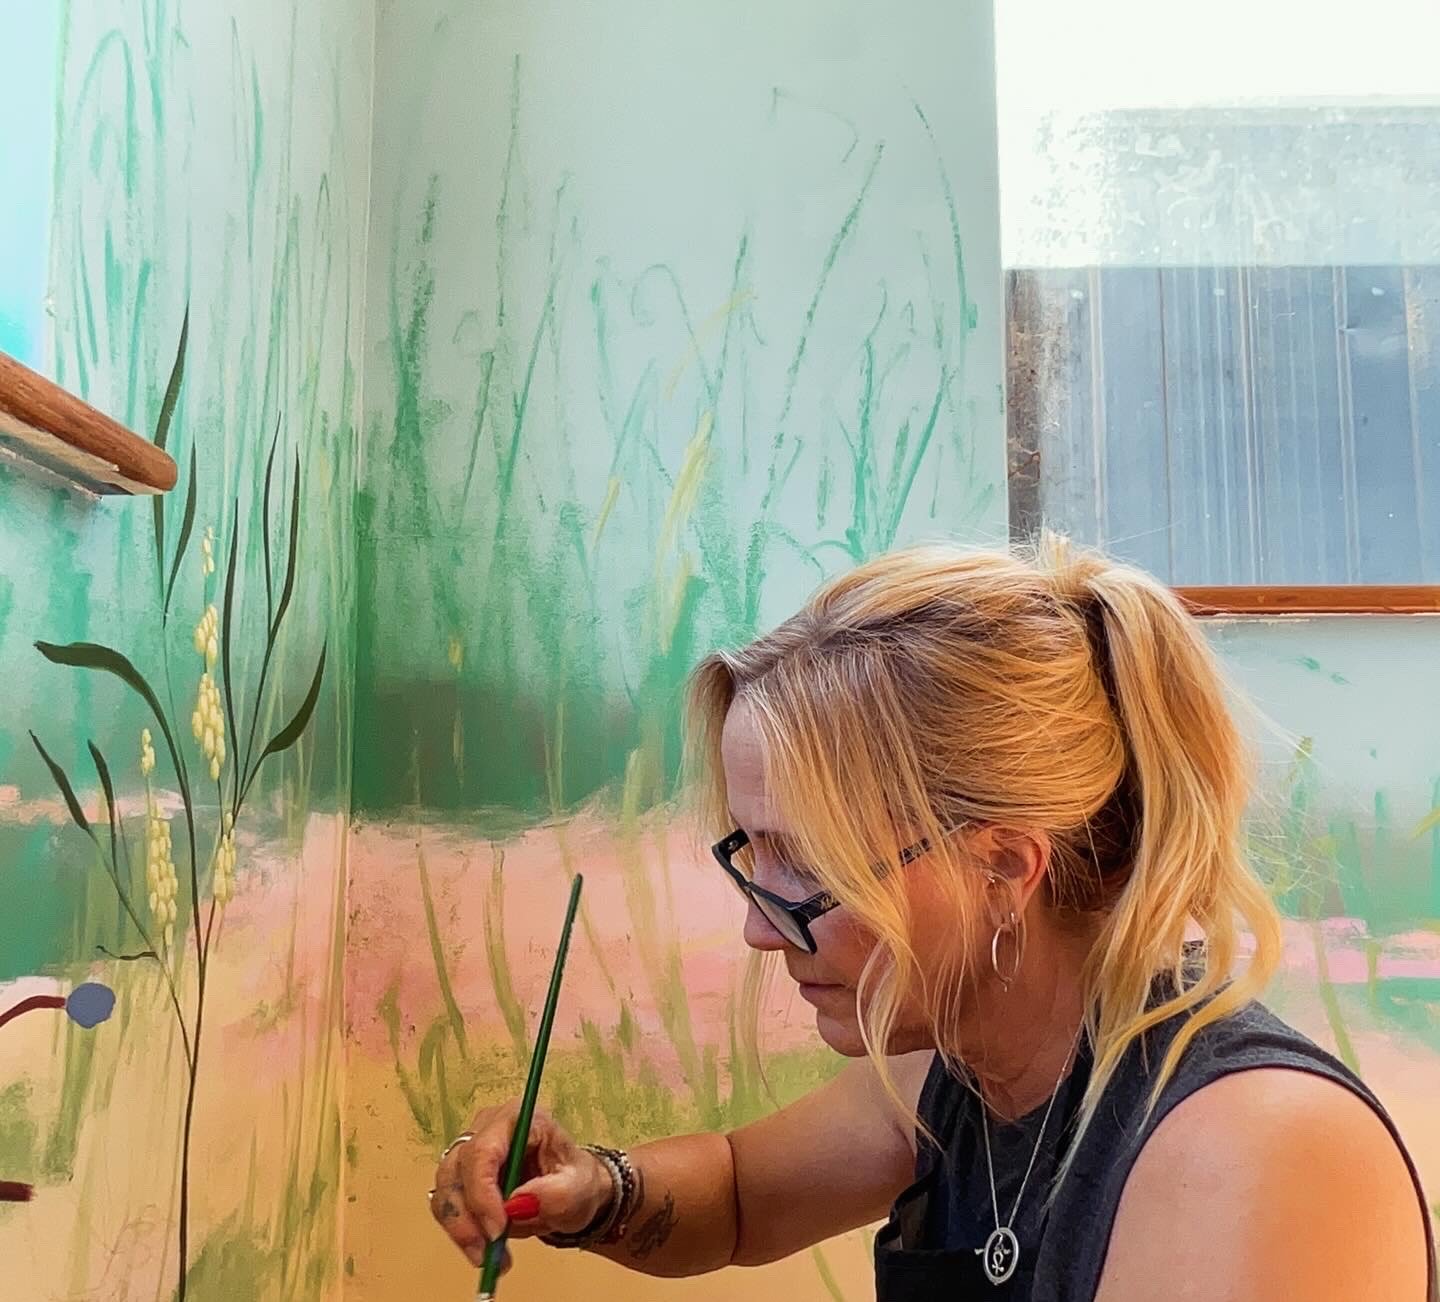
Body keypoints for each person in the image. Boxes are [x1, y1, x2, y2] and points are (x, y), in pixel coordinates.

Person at [430, 538, 1436, 1300]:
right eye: (754, 853)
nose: (760, 930)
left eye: (808, 864)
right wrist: (593, 1189)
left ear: (1003, 865)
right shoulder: (968, 1070)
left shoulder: (1255, 1150)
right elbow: (739, 1194)